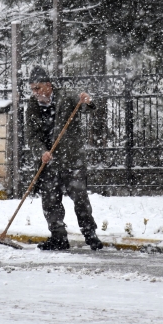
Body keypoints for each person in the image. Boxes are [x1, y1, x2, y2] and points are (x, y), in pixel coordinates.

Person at [25, 66, 104, 251]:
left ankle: (90, 235)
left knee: (81, 198)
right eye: (32, 89)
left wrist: (88, 101)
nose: (35, 93)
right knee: (50, 201)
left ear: (48, 85)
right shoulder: (32, 105)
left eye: (38, 88)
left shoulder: (66, 96)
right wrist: (41, 151)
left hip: (71, 159)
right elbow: (31, 135)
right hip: (48, 162)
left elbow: (85, 105)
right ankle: (58, 238)